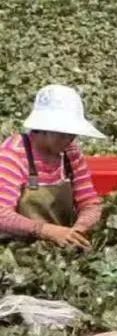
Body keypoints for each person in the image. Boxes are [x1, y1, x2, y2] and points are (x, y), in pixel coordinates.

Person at [0, 85, 105, 250]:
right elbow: (2, 215)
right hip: (15, 247)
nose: (69, 139)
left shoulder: (71, 154)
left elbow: (90, 202)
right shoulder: (13, 155)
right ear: (42, 129)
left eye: (72, 134)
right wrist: (45, 231)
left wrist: (80, 228)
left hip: (60, 244)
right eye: (62, 134)